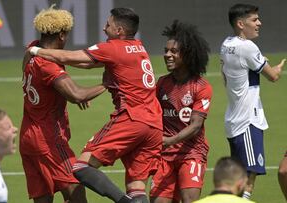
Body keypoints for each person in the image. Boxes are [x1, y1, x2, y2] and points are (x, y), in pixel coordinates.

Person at [28, 7, 163, 203]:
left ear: (119, 31)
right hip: (154, 125)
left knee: (81, 167)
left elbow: (68, 57)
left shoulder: (112, 48)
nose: (103, 28)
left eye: (108, 25)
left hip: (131, 118)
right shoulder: (139, 48)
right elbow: (87, 63)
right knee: (137, 187)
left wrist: (36, 50)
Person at [19, 6, 106, 203]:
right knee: (76, 192)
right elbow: (77, 95)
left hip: (28, 137)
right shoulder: (48, 64)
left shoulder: (32, 50)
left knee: (43, 199)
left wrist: (66, 95)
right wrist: (106, 84)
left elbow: (50, 88)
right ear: (61, 35)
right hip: (48, 138)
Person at [220, 3, 286, 199]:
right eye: (254, 20)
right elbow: (272, 76)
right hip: (248, 121)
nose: (259, 23)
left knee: (239, 180)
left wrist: (258, 61)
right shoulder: (248, 47)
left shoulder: (227, 44)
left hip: (233, 119)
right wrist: (278, 67)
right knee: (249, 180)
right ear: (241, 23)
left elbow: (240, 67)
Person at [149, 20, 212, 203]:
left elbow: (196, 125)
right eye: (166, 51)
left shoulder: (201, 87)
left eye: (173, 52)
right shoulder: (161, 84)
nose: (167, 55)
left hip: (191, 154)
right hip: (164, 156)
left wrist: (170, 140)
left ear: (187, 55)